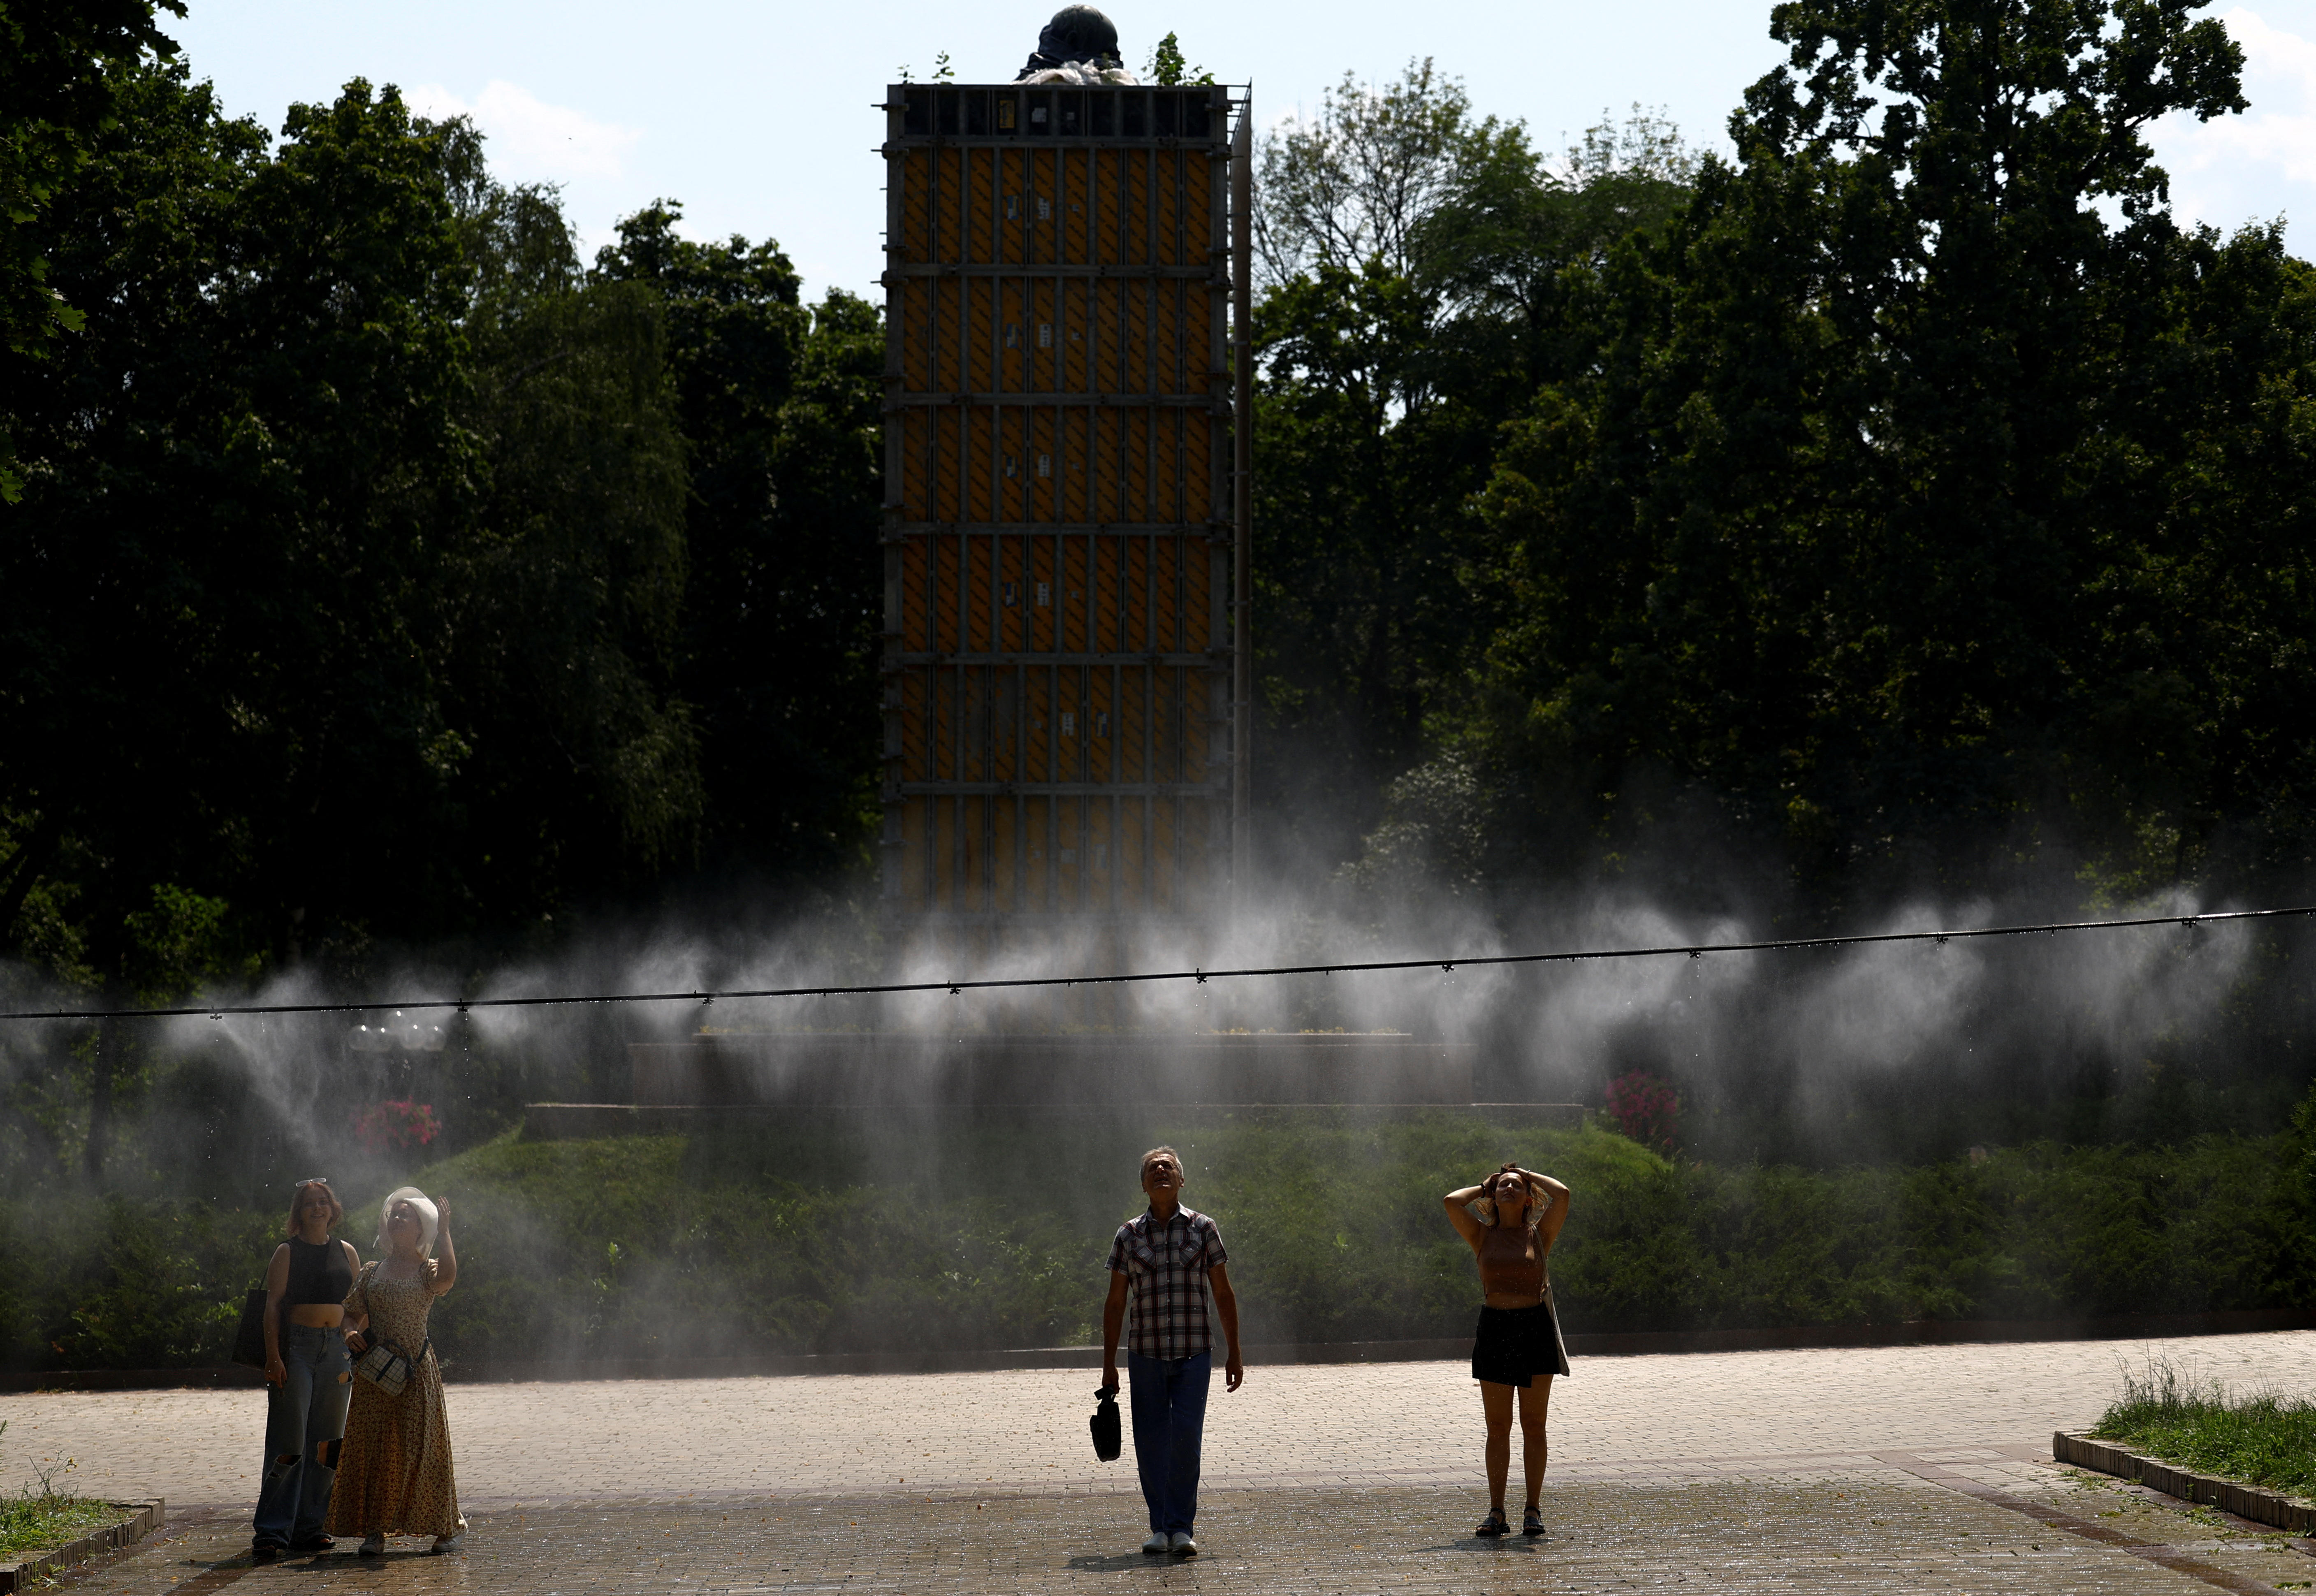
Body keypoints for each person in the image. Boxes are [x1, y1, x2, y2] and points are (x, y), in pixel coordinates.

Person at [1100, 1145, 1242, 1559]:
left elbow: (1223, 1292)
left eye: (1168, 1167)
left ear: (1182, 1180)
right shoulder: (1128, 1235)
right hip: (1145, 1354)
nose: (1161, 1171)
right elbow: (1115, 1303)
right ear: (1143, 1184)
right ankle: (1160, 1527)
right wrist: (1108, 1363)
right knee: (1150, 1440)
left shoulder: (1203, 1228)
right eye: (1152, 1168)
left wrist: (1235, 1351)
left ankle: (1181, 1527)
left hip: (1194, 1352)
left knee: (1185, 1437)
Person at [330, 1186, 465, 1555]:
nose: (397, 1218)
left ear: (421, 1228)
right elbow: (350, 1313)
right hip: (376, 1374)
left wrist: (447, 1233)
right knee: (376, 1449)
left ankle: (447, 1526)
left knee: (424, 1448)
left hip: (416, 1371)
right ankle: (375, 1532)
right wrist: (350, 1332)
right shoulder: (372, 1271)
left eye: (405, 1214)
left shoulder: (427, 1270)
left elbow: (448, 1279)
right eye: (393, 1213)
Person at [1443, 1162, 1572, 1539]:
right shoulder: (1481, 1236)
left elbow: (1562, 1195)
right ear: (1493, 1197)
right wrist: (1485, 1184)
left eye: (1516, 1186)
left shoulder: (1540, 1234)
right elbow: (1452, 1202)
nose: (1508, 1190)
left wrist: (1528, 1174)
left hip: (1534, 1328)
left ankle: (1533, 1509)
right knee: (1497, 1428)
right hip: (1495, 1330)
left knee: (1534, 1425)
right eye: (1503, 1187)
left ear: (1529, 1196)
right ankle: (1496, 1511)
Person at [251, 1178, 361, 1561]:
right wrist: (273, 1357)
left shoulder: (347, 1251)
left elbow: (358, 1306)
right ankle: (272, 1530)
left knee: (328, 1444)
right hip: (296, 1349)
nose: (317, 1209)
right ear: (298, 1213)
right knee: (289, 1442)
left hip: (337, 1354)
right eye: (309, 1204)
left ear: (333, 1210)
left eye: (323, 1202)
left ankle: (312, 1527)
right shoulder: (287, 1252)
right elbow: (272, 1306)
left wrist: (354, 1342)